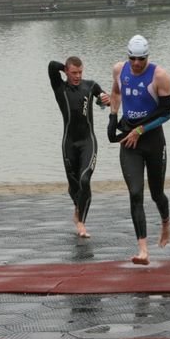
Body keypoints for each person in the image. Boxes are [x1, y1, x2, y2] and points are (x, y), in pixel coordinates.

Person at [109, 34, 170, 265]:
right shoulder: (119, 70)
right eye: (133, 58)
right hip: (129, 139)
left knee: (157, 193)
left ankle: (166, 222)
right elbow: (116, 93)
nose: (137, 63)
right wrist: (112, 115)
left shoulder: (160, 76)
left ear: (148, 57)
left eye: (142, 59)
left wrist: (141, 130)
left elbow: (168, 113)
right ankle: (143, 250)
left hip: (152, 139)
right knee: (136, 193)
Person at [47, 57, 109, 237]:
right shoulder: (60, 88)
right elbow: (51, 66)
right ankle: (78, 206)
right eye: (74, 72)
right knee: (74, 186)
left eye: (80, 72)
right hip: (69, 143)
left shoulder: (90, 86)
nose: (77, 76)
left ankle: (81, 222)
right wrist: (64, 68)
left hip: (88, 141)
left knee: (85, 180)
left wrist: (105, 100)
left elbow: (107, 101)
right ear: (66, 72)